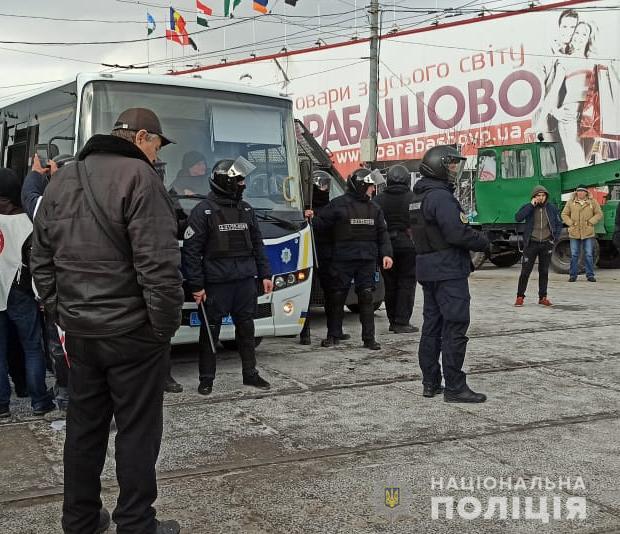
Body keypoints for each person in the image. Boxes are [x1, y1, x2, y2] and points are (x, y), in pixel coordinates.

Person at [30, 107, 184, 534]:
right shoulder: (141, 179)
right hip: (133, 332)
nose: (157, 154)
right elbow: (159, 266)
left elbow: (39, 256)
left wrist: (60, 311)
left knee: (84, 429)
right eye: (156, 143)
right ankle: (136, 523)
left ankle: (79, 520)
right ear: (140, 138)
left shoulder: (61, 179)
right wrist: (162, 327)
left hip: (80, 332)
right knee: (137, 430)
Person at [182, 157, 273, 396]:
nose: (244, 184)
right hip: (216, 285)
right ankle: (206, 379)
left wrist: (265, 274)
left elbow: (257, 245)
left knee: (247, 330)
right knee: (210, 333)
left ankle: (250, 374)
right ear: (227, 182)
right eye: (240, 180)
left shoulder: (246, 210)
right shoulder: (203, 212)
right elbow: (191, 253)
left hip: (244, 282)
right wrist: (197, 286)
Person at [410, 145, 489, 403]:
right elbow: (456, 232)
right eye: (452, 165)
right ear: (438, 165)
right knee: (454, 326)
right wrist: (482, 240)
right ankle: (455, 386)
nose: (455, 169)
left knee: (431, 327)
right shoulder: (440, 197)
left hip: (427, 267)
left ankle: (430, 382)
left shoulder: (417, 197)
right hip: (448, 270)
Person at [308, 168, 393, 350]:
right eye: (370, 186)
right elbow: (321, 226)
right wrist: (310, 218)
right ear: (361, 186)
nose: (372, 190)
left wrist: (386, 254)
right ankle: (333, 335)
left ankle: (369, 339)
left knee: (366, 297)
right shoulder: (338, 204)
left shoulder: (374, 208)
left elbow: (382, 234)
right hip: (343, 259)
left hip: (366, 260)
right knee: (337, 296)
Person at [0, 167, 55, 419]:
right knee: (32, 347)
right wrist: (42, 296)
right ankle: (40, 402)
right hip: (21, 293)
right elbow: (36, 263)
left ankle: (2, 405)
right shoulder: (28, 223)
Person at [21, 154, 71, 417]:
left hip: (61, 296)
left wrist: (36, 174)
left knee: (60, 347)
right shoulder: (102, 201)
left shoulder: (48, 205)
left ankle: (66, 399)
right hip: (95, 292)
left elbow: (29, 195)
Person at [298, 170, 350, 345]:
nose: (325, 188)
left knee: (333, 295)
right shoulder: (302, 207)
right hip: (308, 255)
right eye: (321, 185)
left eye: (327, 185)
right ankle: (304, 333)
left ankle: (335, 331)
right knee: (306, 294)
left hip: (329, 256)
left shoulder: (333, 206)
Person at [374, 164, 419, 334]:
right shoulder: (414, 198)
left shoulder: (378, 200)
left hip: (386, 247)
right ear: (407, 179)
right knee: (407, 283)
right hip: (408, 245)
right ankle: (402, 321)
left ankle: (393, 320)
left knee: (390, 284)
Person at [514, 185, 563, 306]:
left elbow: (558, 223)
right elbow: (518, 217)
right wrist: (531, 205)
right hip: (531, 243)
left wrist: (554, 238)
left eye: (543, 195)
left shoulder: (551, 208)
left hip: (546, 243)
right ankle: (520, 296)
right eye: (538, 195)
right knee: (525, 271)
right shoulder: (528, 207)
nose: (541, 198)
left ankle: (543, 297)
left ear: (546, 196)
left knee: (544, 271)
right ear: (534, 196)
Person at [561, 185, 603, 282]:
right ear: (576, 192)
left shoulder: (593, 202)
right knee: (575, 254)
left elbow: (599, 213)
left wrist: (591, 222)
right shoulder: (571, 202)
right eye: (578, 191)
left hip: (588, 232)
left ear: (586, 193)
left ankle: (590, 275)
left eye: (582, 191)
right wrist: (570, 223)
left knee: (588, 254)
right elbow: (564, 214)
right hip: (574, 232)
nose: (580, 193)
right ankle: (573, 275)